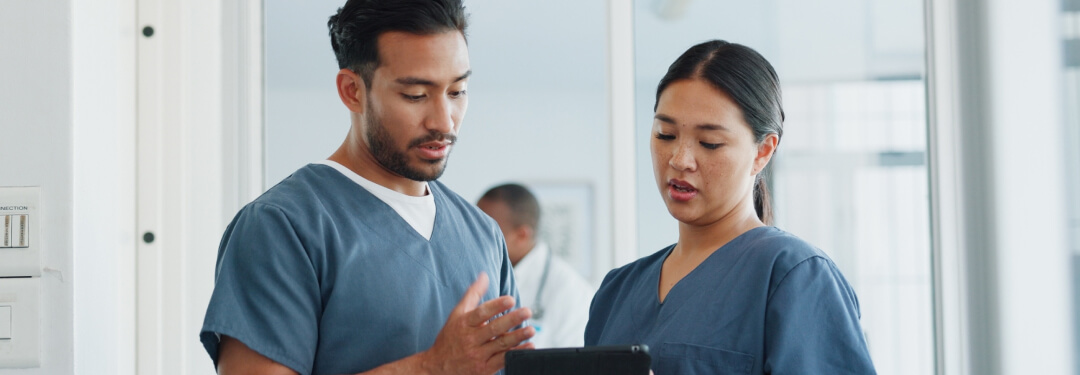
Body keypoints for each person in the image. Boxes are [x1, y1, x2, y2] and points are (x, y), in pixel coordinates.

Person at [199, 1, 535, 374]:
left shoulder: (483, 233)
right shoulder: (281, 227)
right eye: (416, 95)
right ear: (352, 91)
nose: (444, 121)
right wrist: (431, 367)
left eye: (457, 91)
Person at [584, 40, 876, 374]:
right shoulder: (617, 292)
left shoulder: (796, 275)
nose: (680, 160)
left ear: (763, 152)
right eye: (665, 135)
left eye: (710, 143)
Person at [477, 183, 595, 348]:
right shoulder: (475, 271)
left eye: (485, 232)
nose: (475, 238)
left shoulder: (571, 292)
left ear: (522, 235)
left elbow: (577, 365)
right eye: (473, 227)